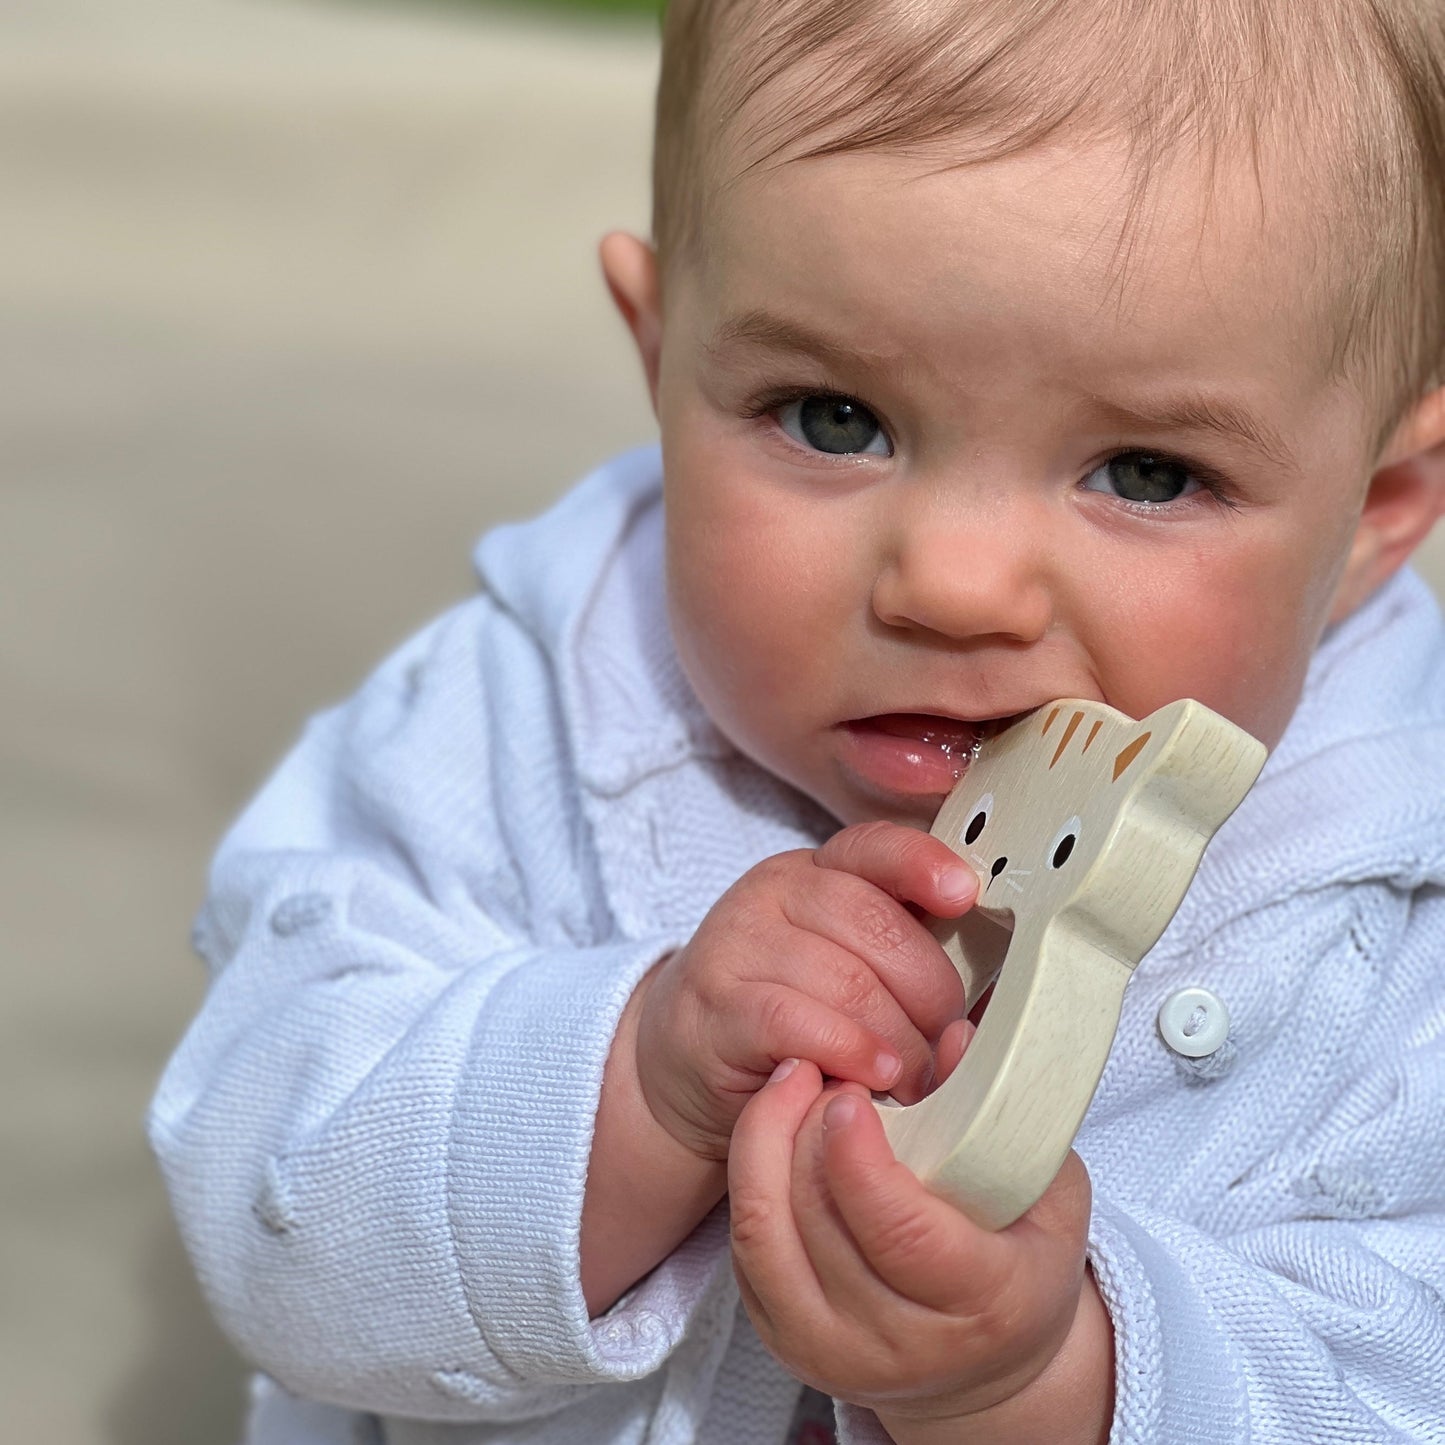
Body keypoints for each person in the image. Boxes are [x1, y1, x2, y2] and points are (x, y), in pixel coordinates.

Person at [149, 2, 1445, 1442]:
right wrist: (627, 1081)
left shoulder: (1398, 901)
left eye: (1143, 471)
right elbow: (265, 1191)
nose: (954, 587)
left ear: (1378, 511)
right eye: (831, 418)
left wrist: (1047, 1380)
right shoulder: (520, 709)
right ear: (659, 354)